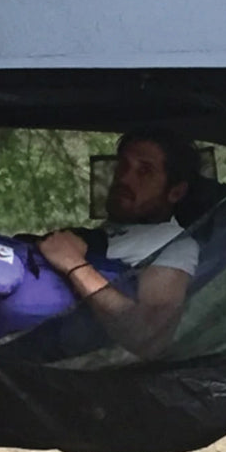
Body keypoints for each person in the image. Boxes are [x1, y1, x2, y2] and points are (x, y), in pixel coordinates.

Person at [37, 129, 201, 361]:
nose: (124, 178)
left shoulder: (174, 244)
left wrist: (75, 265)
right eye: (122, 166)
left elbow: (149, 339)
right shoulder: (113, 232)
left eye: (144, 171)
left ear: (175, 192)